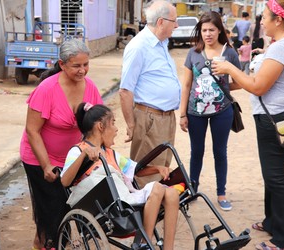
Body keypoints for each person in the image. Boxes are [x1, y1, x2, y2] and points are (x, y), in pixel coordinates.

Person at [212, 0, 284, 248]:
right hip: (283, 118)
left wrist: (230, 67)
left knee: (277, 177)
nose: (262, 22)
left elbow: (258, 86)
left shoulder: (283, 47)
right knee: (275, 175)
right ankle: (273, 223)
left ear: (278, 20)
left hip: (274, 121)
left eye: (265, 17)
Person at [19, 39, 103, 250]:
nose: (82, 70)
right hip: (40, 159)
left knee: (69, 206)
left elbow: (98, 123)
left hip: (71, 159)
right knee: (54, 213)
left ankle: (41, 242)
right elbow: (32, 130)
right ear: (62, 64)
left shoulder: (90, 87)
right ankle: (46, 243)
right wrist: (46, 165)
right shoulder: (47, 89)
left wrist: (96, 146)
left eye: (86, 64)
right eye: (76, 65)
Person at [61, 103, 180, 249]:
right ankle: (145, 243)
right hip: (108, 209)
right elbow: (65, 181)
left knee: (172, 193)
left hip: (123, 201)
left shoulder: (111, 153)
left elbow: (135, 169)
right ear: (100, 126)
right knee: (156, 188)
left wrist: (157, 168)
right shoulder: (77, 151)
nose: (116, 129)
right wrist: (84, 155)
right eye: (113, 123)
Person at [179, 11, 241, 211]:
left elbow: (240, 81)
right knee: (196, 151)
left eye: (211, 30)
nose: (208, 34)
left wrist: (221, 89)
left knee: (219, 152)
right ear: (200, 31)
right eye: (204, 30)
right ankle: (192, 189)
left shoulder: (229, 53)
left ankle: (221, 193)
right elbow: (187, 84)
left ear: (219, 30)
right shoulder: (193, 53)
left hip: (222, 111)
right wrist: (182, 114)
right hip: (195, 112)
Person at [119, 0, 181, 187]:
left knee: (162, 169)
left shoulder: (161, 43)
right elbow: (125, 90)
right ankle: (145, 213)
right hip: (150, 118)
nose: (177, 26)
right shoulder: (139, 46)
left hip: (166, 118)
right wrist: (131, 124)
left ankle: (156, 213)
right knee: (146, 174)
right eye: (174, 21)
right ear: (161, 22)